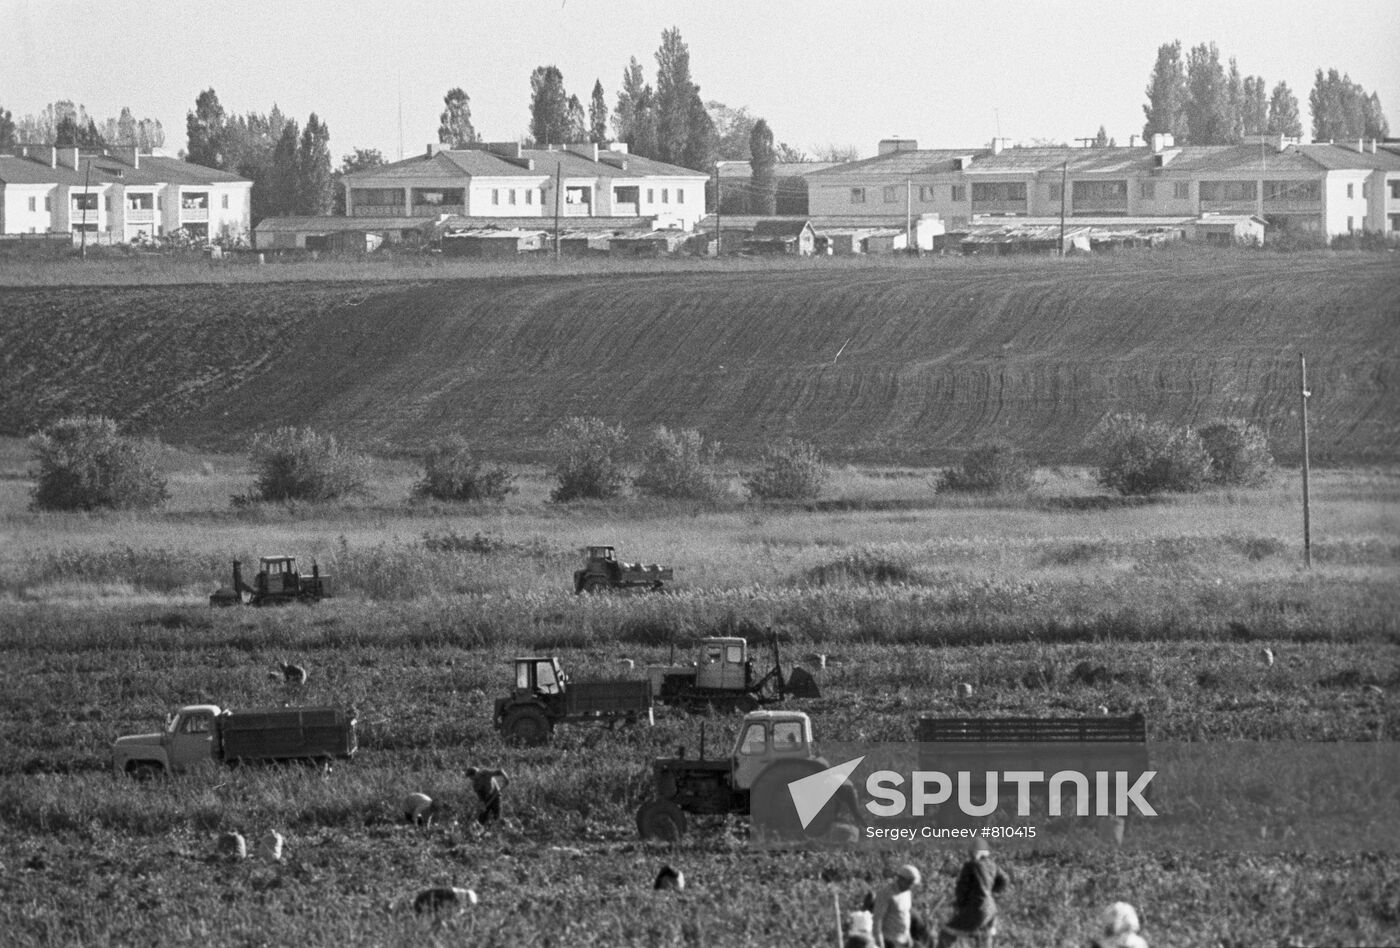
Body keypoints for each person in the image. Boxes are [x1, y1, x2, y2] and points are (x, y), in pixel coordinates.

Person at [935, 835, 1010, 947]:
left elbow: (962, 889)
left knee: (947, 933)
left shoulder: (970, 866)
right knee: (983, 937)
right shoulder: (992, 865)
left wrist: (960, 904)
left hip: (976, 908)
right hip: (991, 909)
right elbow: (1005, 880)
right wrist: (990, 892)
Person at [873, 864, 922, 947]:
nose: (911, 886)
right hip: (890, 941)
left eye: (912, 884)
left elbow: (905, 915)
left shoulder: (907, 893)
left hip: (904, 940)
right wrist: (879, 942)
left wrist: (908, 937)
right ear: (901, 879)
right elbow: (877, 919)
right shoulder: (886, 893)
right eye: (910, 883)